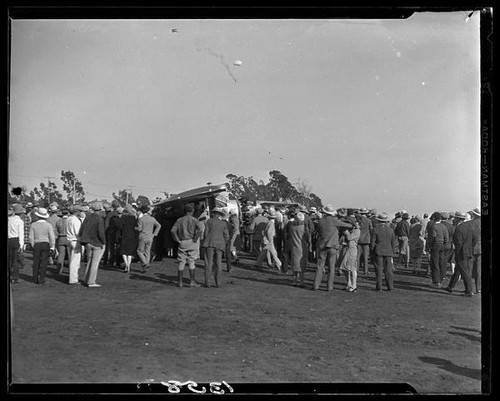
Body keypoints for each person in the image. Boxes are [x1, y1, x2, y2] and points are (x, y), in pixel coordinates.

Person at [312, 205, 352, 292]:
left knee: (319, 266)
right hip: (333, 246)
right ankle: (329, 287)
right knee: (331, 267)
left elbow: (318, 232)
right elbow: (347, 225)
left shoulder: (321, 221)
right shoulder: (334, 220)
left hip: (322, 246)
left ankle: (316, 285)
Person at [170, 203, 203, 288]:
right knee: (191, 261)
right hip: (191, 241)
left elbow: (173, 230)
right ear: (192, 211)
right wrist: (195, 238)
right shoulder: (194, 220)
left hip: (182, 241)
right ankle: (192, 281)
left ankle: (180, 282)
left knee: (181, 261)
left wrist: (177, 239)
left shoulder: (179, 220)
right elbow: (200, 229)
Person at [444, 211, 474, 297]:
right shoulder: (468, 226)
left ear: (457, 219)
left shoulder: (459, 228)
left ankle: (469, 291)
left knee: (464, 272)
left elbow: (458, 243)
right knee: (458, 270)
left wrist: (456, 253)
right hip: (467, 251)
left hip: (461, 252)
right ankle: (450, 286)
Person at [78, 202, 106, 287]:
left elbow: (81, 229)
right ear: (100, 209)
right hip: (97, 243)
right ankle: (91, 282)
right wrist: (104, 242)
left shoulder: (87, 217)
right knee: (95, 263)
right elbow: (100, 232)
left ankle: (86, 279)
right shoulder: (99, 219)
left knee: (90, 261)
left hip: (88, 242)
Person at [202, 207, 230, 288]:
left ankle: (207, 283)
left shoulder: (209, 221)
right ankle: (218, 283)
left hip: (210, 243)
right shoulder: (223, 223)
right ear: (220, 215)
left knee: (208, 263)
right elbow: (227, 236)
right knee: (218, 263)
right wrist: (223, 242)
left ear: (213, 213)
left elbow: (205, 234)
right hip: (220, 244)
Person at [370, 212, 398, 291]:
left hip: (378, 251)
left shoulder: (375, 229)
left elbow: (372, 243)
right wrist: (392, 251)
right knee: (388, 270)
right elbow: (393, 242)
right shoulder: (390, 230)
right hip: (388, 251)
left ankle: (379, 287)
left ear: (379, 220)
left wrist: (372, 251)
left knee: (379, 269)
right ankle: (390, 286)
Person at [29, 207, 56, 285]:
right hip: (45, 244)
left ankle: (35, 278)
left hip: (37, 244)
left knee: (36, 262)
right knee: (44, 262)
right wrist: (52, 246)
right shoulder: (48, 225)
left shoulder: (33, 225)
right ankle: (41, 279)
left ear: (38, 216)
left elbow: (31, 237)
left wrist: (33, 245)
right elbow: (52, 236)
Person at [135, 205, 162, 273]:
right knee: (147, 252)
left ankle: (145, 263)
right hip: (150, 237)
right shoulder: (152, 218)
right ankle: (145, 267)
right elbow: (159, 225)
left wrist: (135, 228)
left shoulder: (141, 219)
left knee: (139, 251)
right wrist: (155, 234)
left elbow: (139, 229)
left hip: (142, 237)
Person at [286, 212, 310, 287]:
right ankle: (301, 281)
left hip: (294, 247)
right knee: (302, 266)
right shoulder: (303, 227)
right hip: (302, 247)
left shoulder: (292, 227)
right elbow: (308, 238)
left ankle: (295, 280)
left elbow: (288, 236)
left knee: (294, 264)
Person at [428, 212, 450, 288]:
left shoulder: (433, 227)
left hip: (435, 245)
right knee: (441, 262)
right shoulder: (444, 227)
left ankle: (436, 281)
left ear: (434, 218)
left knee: (435, 263)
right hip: (442, 246)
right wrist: (444, 244)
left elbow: (433, 237)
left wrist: (429, 246)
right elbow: (446, 238)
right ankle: (440, 280)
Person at [340, 217, 361, 292]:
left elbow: (349, 238)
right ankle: (349, 284)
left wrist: (346, 232)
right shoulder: (352, 230)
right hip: (348, 248)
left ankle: (354, 285)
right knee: (347, 268)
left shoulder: (357, 231)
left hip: (352, 249)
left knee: (352, 268)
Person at [116, 204, 138, 273]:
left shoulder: (123, 217)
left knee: (124, 251)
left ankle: (126, 264)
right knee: (130, 252)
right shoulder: (134, 217)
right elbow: (136, 227)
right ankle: (128, 265)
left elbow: (120, 226)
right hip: (132, 236)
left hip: (124, 235)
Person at [8, 204, 25, 283]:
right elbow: (21, 233)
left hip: (9, 240)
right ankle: (14, 277)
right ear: (21, 213)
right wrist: (21, 245)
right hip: (16, 240)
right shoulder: (20, 221)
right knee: (16, 260)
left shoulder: (9, 219)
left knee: (9, 259)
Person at [67, 205, 83, 284]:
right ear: (77, 212)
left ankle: (72, 278)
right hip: (75, 240)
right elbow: (78, 232)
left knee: (72, 260)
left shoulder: (68, 219)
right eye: (79, 211)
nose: (80, 213)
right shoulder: (75, 220)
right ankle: (73, 279)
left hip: (70, 240)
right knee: (75, 262)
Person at [357, 208, 372, 275]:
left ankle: (356, 269)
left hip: (359, 239)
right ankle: (365, 270)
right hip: (366, 239)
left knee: (358, 256)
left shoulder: (358, 220)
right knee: (366, 256)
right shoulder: (368, 220)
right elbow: (371, 229)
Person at [469, 208, 481, 294]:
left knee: (470, 269)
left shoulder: (471, 223)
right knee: (478, 270)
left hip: (472, 247)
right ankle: (478, 288)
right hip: (480, 248)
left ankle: (470, 289)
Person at [440, 212, 455, 278]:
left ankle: (440, 273)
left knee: (439, 259)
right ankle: (443, 274)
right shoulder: (450, 226)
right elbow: (453, 235)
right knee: (445, 260)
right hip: (448, 244)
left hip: (440, 244)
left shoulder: (439, 225)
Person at [55, 208, 70, 274]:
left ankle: (59, 270)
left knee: (61, 255)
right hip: (68, 238)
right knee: (70, 255)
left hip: (61, 238)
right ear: (68, 213)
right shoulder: (70, 220)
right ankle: (70, 270)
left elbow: (56, 231)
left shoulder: (58, 221)